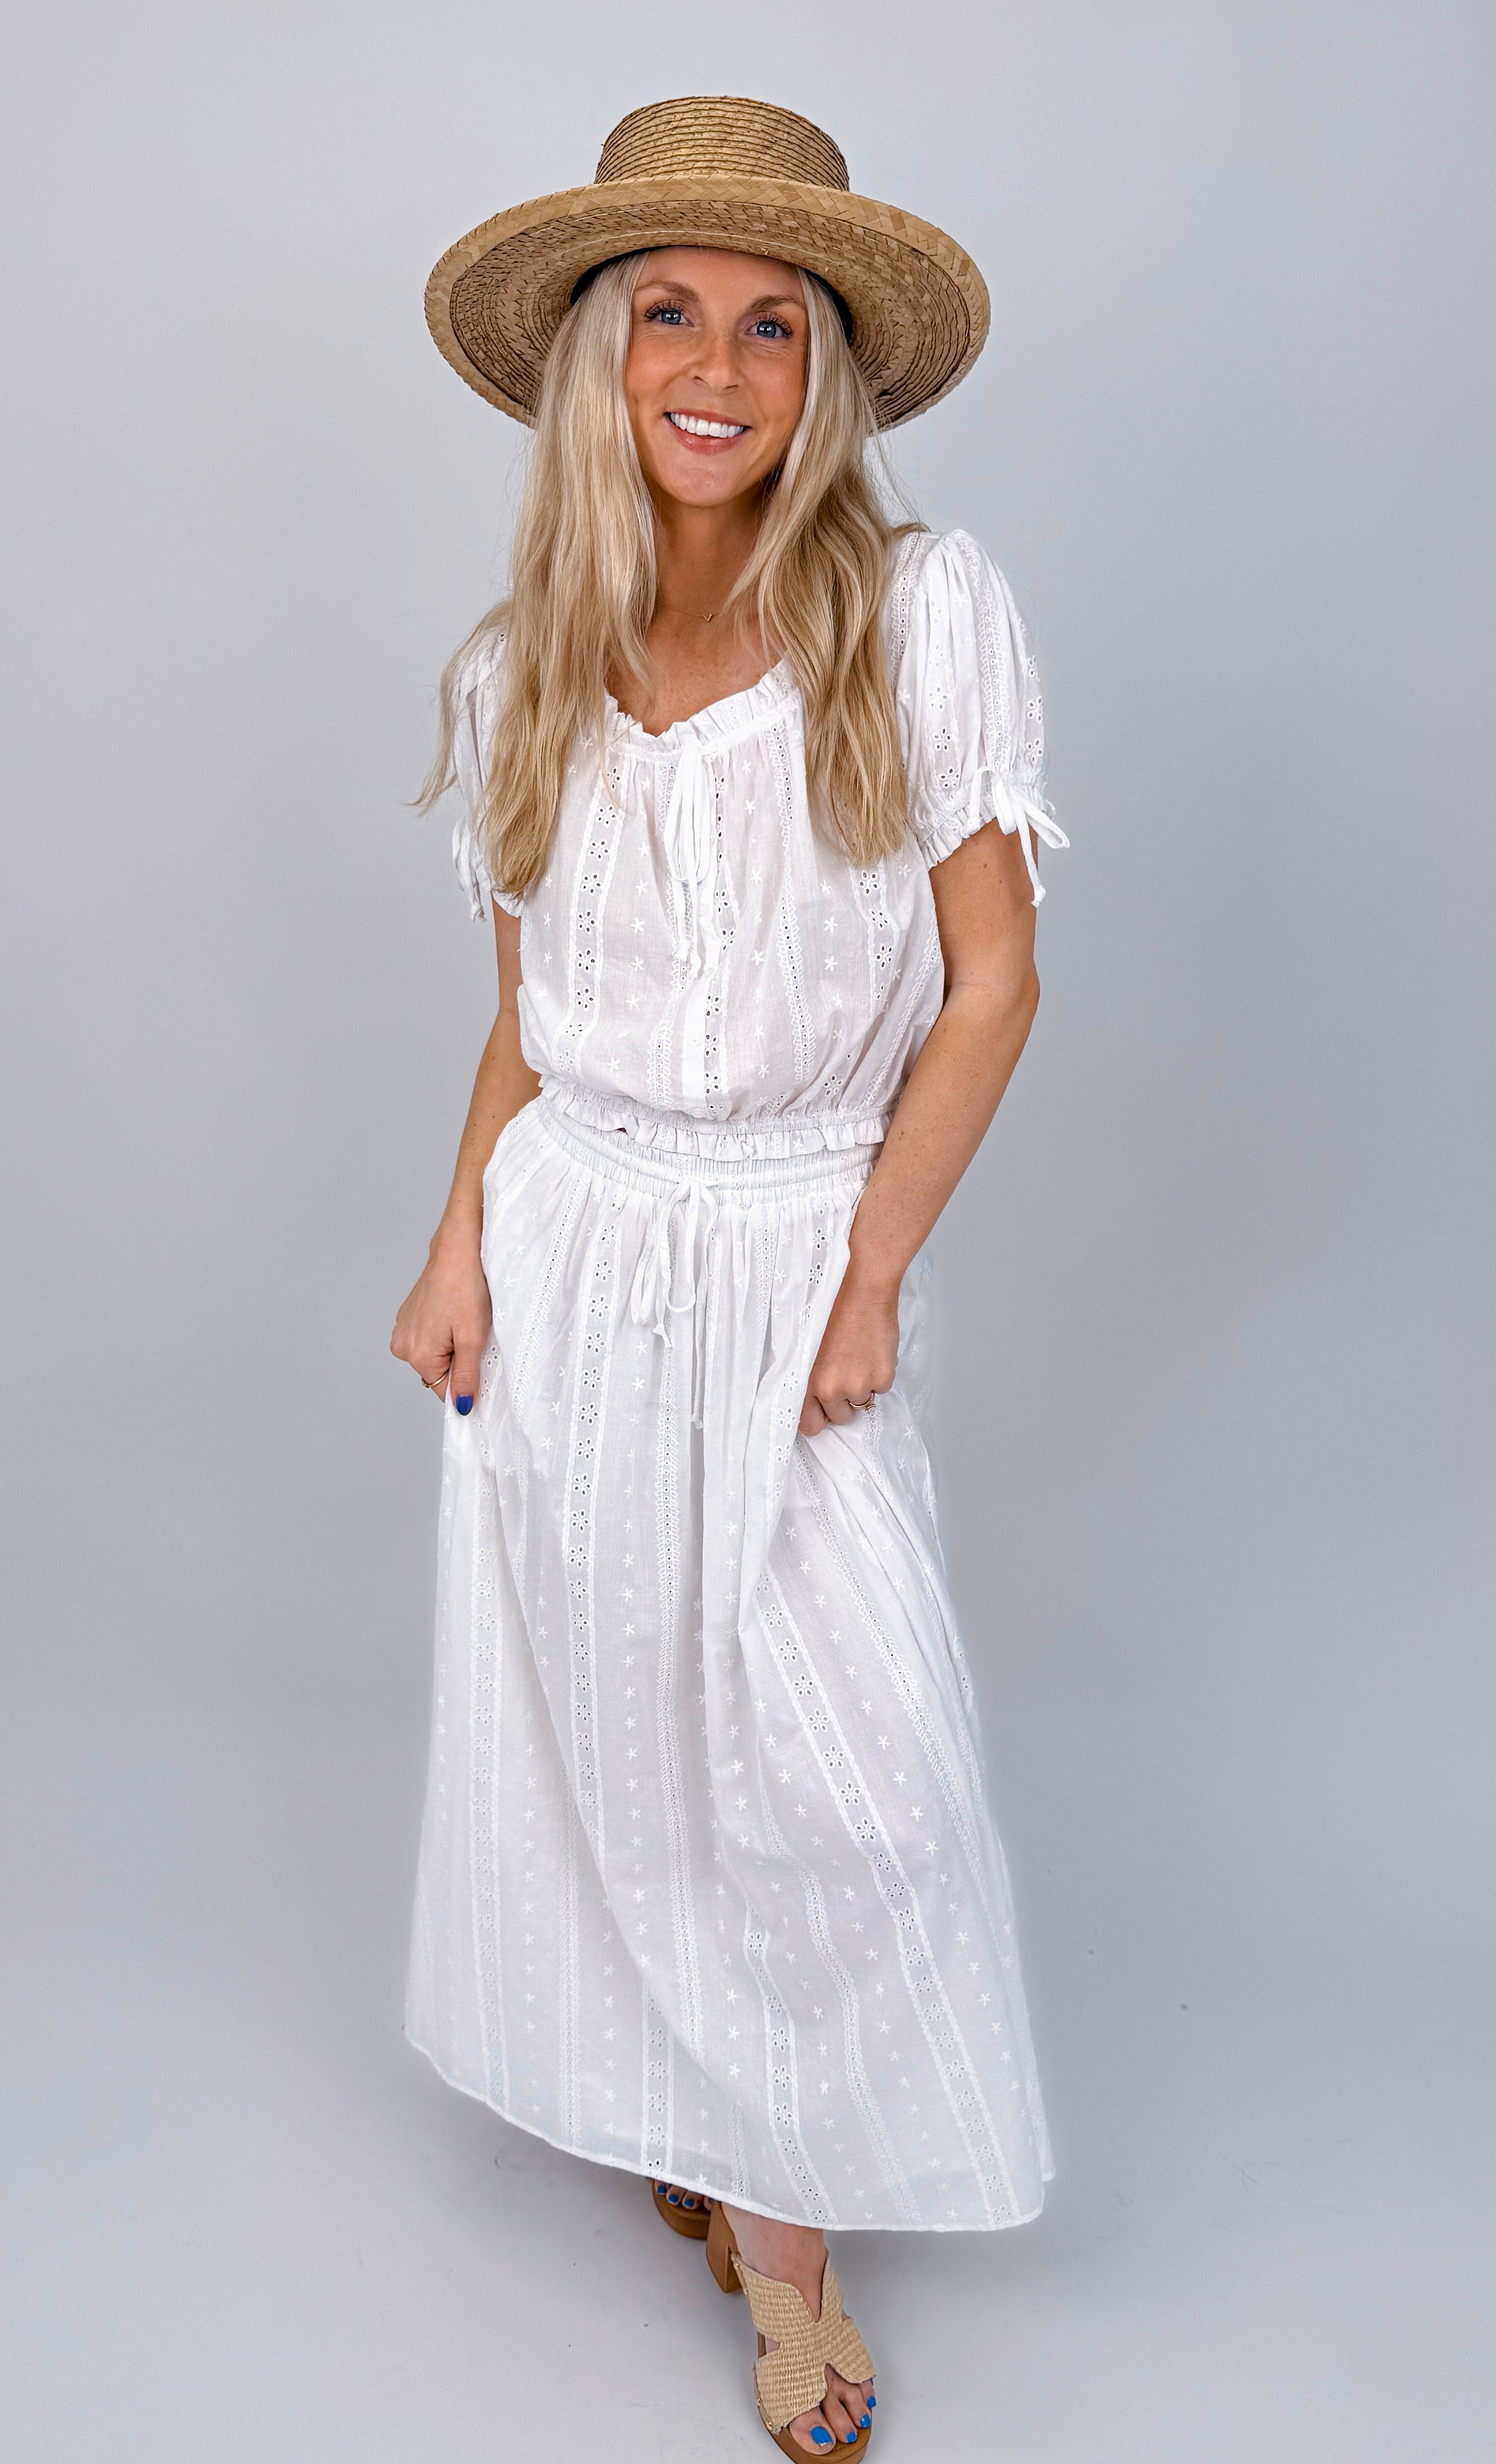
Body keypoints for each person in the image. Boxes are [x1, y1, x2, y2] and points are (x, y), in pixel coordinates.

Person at [392, 95, 1065, 2459]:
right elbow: (522, 1022)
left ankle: (784, 2245)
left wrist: (866, 1279)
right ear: (594, 356)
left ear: (825, 372)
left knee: (824, 1767)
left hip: (792, 1240)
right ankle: (708, 2125)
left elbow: (990, 984)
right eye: (663, 312)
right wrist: (455, 1250)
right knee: (610, 1714)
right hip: (572, 1242)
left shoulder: (918, 611)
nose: (713, 364)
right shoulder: (523, 667)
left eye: (770, 324)